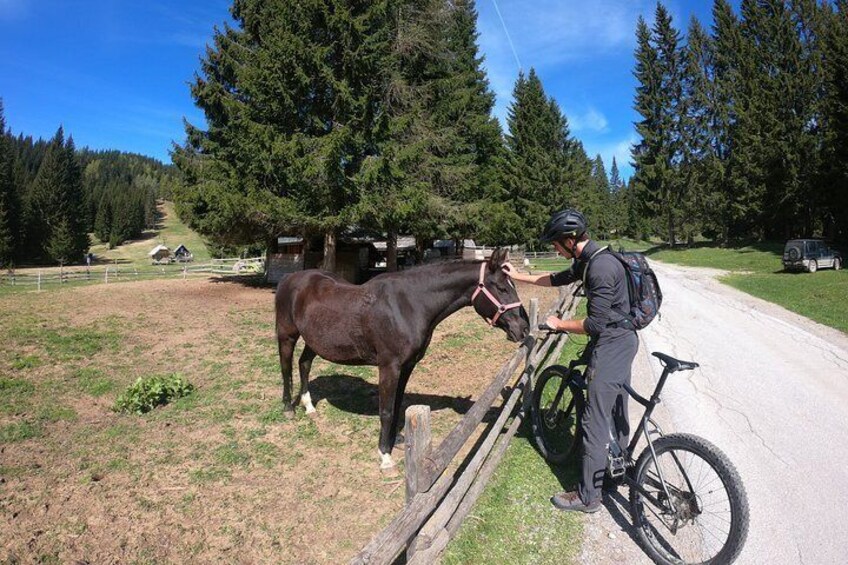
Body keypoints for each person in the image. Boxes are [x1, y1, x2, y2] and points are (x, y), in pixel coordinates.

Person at [502, 208, 638, 513]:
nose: (554, 248)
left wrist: (558, 324)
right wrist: (517, 275)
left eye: (555, 243)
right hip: (621, 340)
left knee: (594, 418)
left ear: (570, 239)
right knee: (615, 406)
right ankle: (618, 468)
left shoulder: (601, 268)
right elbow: (555, 278)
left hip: (613, 342)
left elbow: (595, 325)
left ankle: (589, 496)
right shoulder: (589, 261)